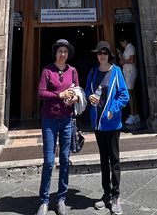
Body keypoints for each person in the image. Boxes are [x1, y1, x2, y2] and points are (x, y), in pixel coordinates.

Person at [37, 39, 79, 215]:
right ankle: (44, 201)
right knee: (48, 161)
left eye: (66, 51)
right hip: (50, 120)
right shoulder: (48, 70)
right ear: (55, 53)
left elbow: (77, 91)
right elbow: (40, 93)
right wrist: (59, 94)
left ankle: (61, 198)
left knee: (64, 159)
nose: (63, 54)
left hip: (67, 119)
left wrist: (74, 98)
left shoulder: (73, 71)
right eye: (60, 51)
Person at [86, 41, 129, 215]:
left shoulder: (116, 72)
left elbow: (124, 95)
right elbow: (88, 90)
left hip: (111, 123)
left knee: (115, 160)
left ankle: (116, 196)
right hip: (98, 123)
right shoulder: (93, 71)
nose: (102, 56)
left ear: (109, 56)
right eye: (99, 53)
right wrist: (90, 97)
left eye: (105, 53)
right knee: (104, 160)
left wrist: (112, 111)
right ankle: (106, 193)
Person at [117, 38, 140, 125]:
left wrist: (123, 61)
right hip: (127, 72)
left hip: (130, 72)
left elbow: (131, 60)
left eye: (122, 43)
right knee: (131, 92)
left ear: (125, 41)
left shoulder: (130, 47)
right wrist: (121, 55)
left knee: (129, 93)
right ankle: (135, 113)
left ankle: (133, 114)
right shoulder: (127, 49)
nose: (122, 45)